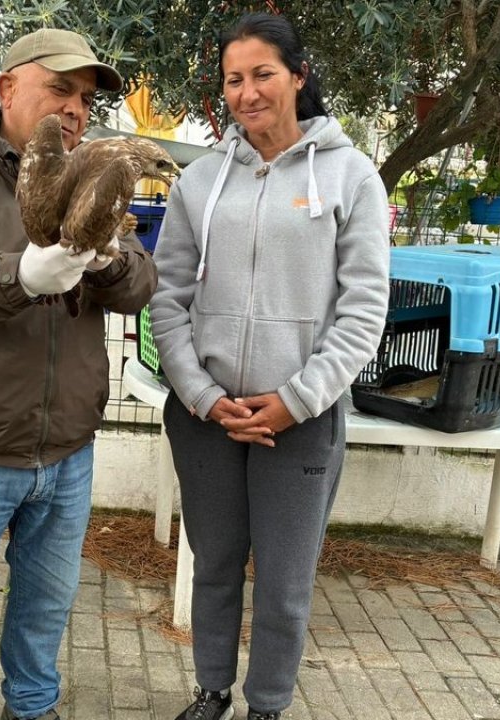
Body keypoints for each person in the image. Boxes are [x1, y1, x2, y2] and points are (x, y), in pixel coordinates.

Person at [0, 27, 157, 720]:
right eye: (59, 90)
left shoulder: (93, 174)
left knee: (47, 602)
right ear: (7, 89)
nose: (74, 109)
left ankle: (33, 708)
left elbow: (138, 287)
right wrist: (23, 275)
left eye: (84, 98)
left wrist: (111, 260)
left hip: (67, 448)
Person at [149, 12, 390, 720]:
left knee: (284, 582)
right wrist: (199, 393)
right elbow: (168, 298)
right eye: (233, 79)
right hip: (207, 417)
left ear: (298, 76)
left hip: (301, 420)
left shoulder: (350, 177)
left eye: (262, 74)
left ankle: (268, 705)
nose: (247, 92)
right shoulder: (200, 182)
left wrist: (297, 399)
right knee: (214, 566)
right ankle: (212, 692)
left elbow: (363, 310)